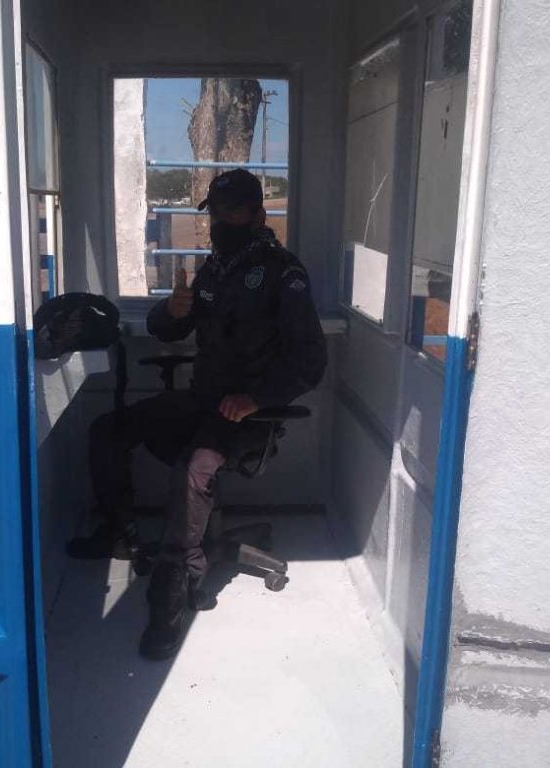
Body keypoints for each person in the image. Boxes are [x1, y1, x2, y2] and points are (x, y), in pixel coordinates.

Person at [68, 168, 327, 660]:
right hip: (201, 402)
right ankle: (118, 531)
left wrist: (257, 399)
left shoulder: (283, 273)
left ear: (258, 215)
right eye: (216, 212)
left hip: (245, 416)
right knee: (108, 430)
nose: (222, 222)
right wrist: (172, 310)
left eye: (234, 211)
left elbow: (310, 361)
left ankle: (174, 587)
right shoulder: (215, 269)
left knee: (196, 467)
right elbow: (165, 330)